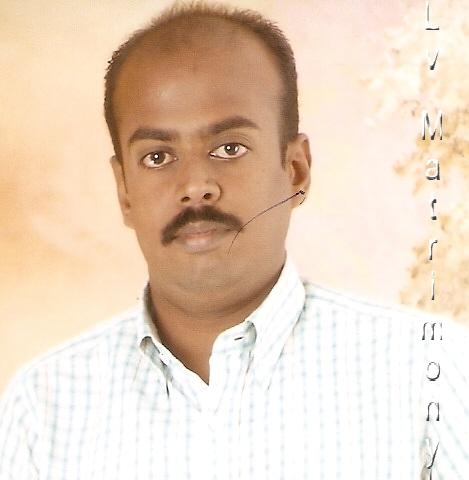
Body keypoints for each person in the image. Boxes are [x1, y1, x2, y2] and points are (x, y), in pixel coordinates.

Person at [0, 2, 468, 479]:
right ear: (124, 192)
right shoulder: (43, 410)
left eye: (229, 148)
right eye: (157, 157)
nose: (195, 186)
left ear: (295, 171)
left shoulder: (430, 374)